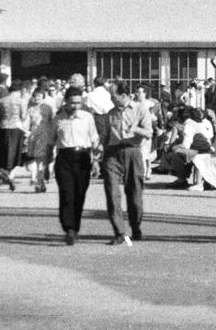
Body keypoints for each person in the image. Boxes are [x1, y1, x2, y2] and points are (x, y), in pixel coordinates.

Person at [101, 89, 152, 245]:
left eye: (113, 96)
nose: (111, 99)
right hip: (112, 154)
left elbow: (149, 133)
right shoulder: (110, 114)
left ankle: (136, 227)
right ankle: (119, 232)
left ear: (124, 95)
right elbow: (105, 136)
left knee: (135, 194)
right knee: (112, 193)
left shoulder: (140, 110)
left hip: (132, 152)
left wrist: (134, 129)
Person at [51, 86, 100, 245]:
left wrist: (96, 161)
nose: (75, 106)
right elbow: (51, 142)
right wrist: (45, 166)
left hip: (82, 157)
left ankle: (75, 227)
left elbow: (94, 139)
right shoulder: (58, 119)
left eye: (78, 103)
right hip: (64, 157)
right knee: (66, 193)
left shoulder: (87, 117)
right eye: (72, 103)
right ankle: (69, 229)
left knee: (79, 194)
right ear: (66, 102)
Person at [25, 86, 56, 194]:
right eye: (35, 96)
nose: (37, 98)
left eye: (39, 96)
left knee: (41, 160)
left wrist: (53, 135)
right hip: (33, 136)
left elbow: (53, 122)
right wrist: (26, 132)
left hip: (45, 136)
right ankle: (40, 180)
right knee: (35, 161)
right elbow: (26, 123)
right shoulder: (30, 109)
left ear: (43, 97)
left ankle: (39, 181)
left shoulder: (48, 108)